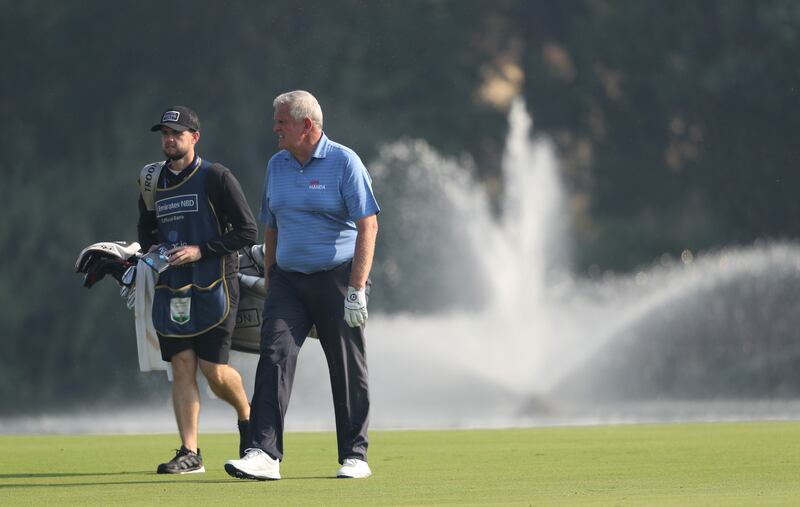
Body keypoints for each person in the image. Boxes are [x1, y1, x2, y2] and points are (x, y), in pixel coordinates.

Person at [224, 90, 380, 480]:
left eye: (281, 122)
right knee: (273, 356)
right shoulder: (277, 165)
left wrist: (357, 287)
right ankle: (264, 453)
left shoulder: (345, 162)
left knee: (346, 365)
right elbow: (271, 224)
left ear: (306, 125)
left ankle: (355, 456)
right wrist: (272, 273)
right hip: (288, 283)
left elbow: (368, 226)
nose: (274, 128)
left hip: (338, 278)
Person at [137, 106, 258, 474]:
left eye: (177, 133)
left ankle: (248, 418)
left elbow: (247, 231)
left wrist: (200, 250)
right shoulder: (151, 181)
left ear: (195, 137)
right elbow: (147, 232)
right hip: (172, 287)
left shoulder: (216, 177)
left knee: (214, 370)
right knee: (182, 364)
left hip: (216, 285)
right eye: (165, 134)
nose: (169, 139)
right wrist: (148, 256)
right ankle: (190, 453)